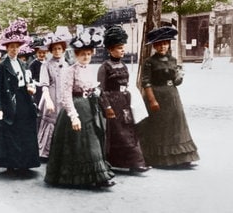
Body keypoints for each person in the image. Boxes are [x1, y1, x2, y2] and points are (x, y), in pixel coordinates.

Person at [45, 26, 115, 188]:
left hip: (90, 108)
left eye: (89, 54)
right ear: (76, 55)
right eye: (83, 54)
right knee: (79, 144)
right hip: (76, 109)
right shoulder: (71, 70)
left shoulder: (89, 69)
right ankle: (81, 177)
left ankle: (99, 176)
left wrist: (96, 91)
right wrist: (73, 116)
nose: (86, 57)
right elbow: (65, 95)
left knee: (93, 142)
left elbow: (92, 87)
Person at [138, 26, 200, 169]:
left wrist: (180, 76)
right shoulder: (149, 61)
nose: (162, 46)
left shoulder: (173, 60)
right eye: (158, 44)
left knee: (176, 125)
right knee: (160, 127)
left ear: (168, 44)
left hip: (172, 96)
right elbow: (146, 82)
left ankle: (180, 157)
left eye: (165, 43)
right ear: (154, 46)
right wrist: (152, 100)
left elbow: (176, 81)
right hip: (157, 95)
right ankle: (159, 159)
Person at [0, 18, 40, 175]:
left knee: (24, 130)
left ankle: (25, 162)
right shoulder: (1, 66)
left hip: (24, 99)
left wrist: (30, 88)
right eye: (11, 47)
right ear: (6, 48)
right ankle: (11, 163)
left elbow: (27, 80)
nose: (14, 50)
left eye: (16, 47)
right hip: (8, 101)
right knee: (10, 132)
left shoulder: (23, 64)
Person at [97, 25, 149, 173]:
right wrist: (107, 107)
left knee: (130, 131)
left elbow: (127, 84)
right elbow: (100, 90)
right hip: (112, 103)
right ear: (110, 49)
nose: (123, 50)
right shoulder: (104, 67)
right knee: (118, 133)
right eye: (119, 48)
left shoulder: (124, 65)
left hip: (125, 102)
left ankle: (136, 162)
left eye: (123, 47)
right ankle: (117, 162)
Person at [37, 27, 71, 160]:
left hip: (64, 97)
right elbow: (44, 85)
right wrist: (48, 99)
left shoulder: (67, 65)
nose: (57, 51)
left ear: (63, 50)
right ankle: (46, 151)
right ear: (50, 51)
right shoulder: (46, 65)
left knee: (63, 121)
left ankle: (63, 151)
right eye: (54, 49)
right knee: (50, 122)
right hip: (51, 96)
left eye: (59, 49)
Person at [28, 36, 49, 106]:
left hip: (47, 85)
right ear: (36, 53)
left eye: (43, 53)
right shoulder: (33, 64)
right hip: (38, 87)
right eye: (39, 53)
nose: (42, 54)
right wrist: (38, 83)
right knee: (40, 102)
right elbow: (30, 78)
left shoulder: (48, 63)